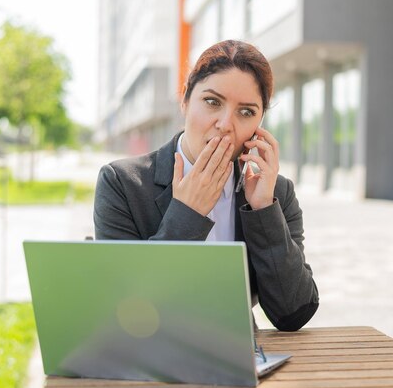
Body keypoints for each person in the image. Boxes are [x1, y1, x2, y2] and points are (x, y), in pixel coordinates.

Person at [94, 40, 318, 331]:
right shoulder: (122, 183)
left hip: (240, 359)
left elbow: (293, 314)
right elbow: (127, 311)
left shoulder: (274, 193)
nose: (225, 124)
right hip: (152, 359)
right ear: (185, 100)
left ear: (259, 124)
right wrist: (188, 213)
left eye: (246, 112)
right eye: (212, 102)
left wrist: (263, 211)